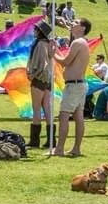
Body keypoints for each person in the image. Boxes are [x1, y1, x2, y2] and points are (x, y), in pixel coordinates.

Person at [51, 19, 91, 157]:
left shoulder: (77, 42)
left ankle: (59, 149)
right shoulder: (82, 43)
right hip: (79, 84)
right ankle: (76, 148)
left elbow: (65, 62)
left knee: (64, 115)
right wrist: (56, 49)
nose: (73, 24)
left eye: (76, 22)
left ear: (83, 28)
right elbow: (69, 60)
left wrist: (53, 54)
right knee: (78, 116)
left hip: (74, 85)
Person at [26, 20, 54, 148]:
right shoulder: (47, 44)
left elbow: (42, 64)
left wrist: (33, 75)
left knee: (36, 108)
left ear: (39, 32)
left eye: (36, 29)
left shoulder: (40, 45)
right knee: (47, 108)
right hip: (48, 79)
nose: (34, 31)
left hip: (40, 78)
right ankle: (51, 139)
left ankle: (35, 140)